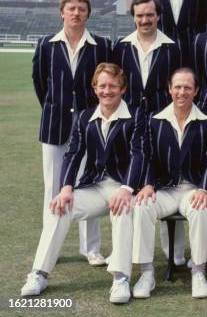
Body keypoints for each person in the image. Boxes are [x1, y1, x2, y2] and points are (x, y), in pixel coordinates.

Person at [21, 63, 144, 304]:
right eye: (102, 86)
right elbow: (73, 154)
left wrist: (127, 188)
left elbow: (139, 154)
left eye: (113, 86)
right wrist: (66, 188)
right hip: (95, 186)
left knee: (122, 208)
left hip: (122, 185)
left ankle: (120, 278)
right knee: (59, 208)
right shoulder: (85, 116)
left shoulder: (137, 115)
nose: (107, 91)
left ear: (123, 89)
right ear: (94, 88)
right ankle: (39, 274)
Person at [32, 0, 111, 267]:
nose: (76, 13)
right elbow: (41, 84)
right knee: (53, 187)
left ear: (88, 13)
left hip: (90, 129)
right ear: (62, 12)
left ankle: (90, 248)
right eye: (71, 8)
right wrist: (58, 110)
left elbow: (107, 83)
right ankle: (49, 245)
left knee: (87, 185)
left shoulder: (101, 45)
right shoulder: (46, 45)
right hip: (55, 128)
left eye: (81, 8)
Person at [131, 68, 207, 299]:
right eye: (178, 87)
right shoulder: (154, 120)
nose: (182, 92)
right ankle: (146, 273)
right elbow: (147, 156)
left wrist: (204, 189)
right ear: (170, 89)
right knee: (141, 206)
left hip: (193, 188)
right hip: (165, 188)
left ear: (196, 91)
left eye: (188, 87)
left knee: (201, 209)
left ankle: (198, 272)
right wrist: (148, 184)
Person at [112, 0, 184, 266]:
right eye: (139, 15)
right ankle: (125, 251)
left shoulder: (172, 48)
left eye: (149, 15)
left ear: (158, 16)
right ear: (133, 17)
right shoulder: (121, 47)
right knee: (129, 185)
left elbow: (177, 87)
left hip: (162, 124)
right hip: (129, 123)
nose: (145, 20)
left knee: (164, 185)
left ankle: (174, 254)